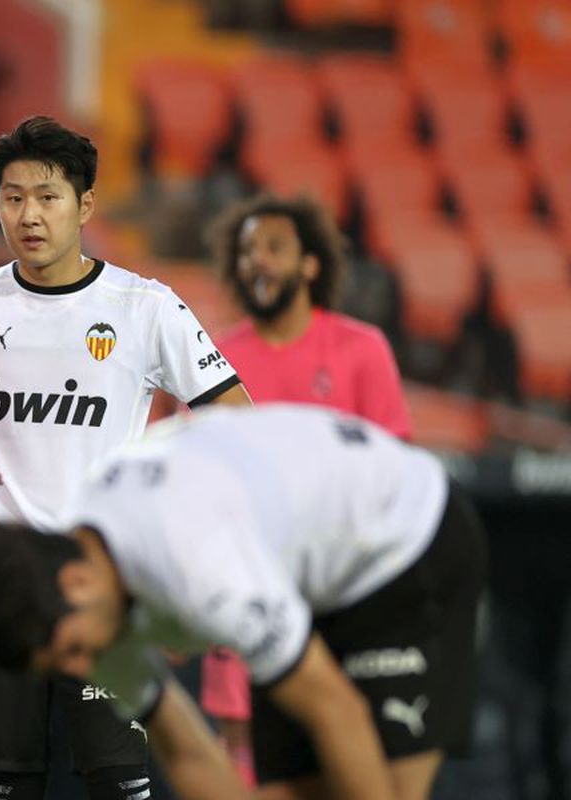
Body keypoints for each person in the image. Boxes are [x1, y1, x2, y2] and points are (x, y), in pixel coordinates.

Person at [0, 115, 251, 800]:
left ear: (85, 205)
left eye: (47, 197)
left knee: (121, 780)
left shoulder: (145, 307)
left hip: (100, 577)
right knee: (7, 784)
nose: (29, 215)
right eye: (12, 198)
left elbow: (234, 414)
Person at [0, 404, 486, 800]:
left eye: (70, 651)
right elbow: (187, 755)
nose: (77, 669)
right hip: (298, 564)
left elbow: (336, 711)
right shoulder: (86, 599)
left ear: (76, 582)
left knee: (383, 789)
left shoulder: (197, 567)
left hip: (404, 540)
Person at [202, 193, 413, 780]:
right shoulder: (213, 357)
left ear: (310, 264)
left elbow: (394, 468)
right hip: (243, 582)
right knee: (242, 755)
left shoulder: (362, 349)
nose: (257, 262)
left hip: (338, 586)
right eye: (247, 251)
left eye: (274, 248)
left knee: (341, 749)